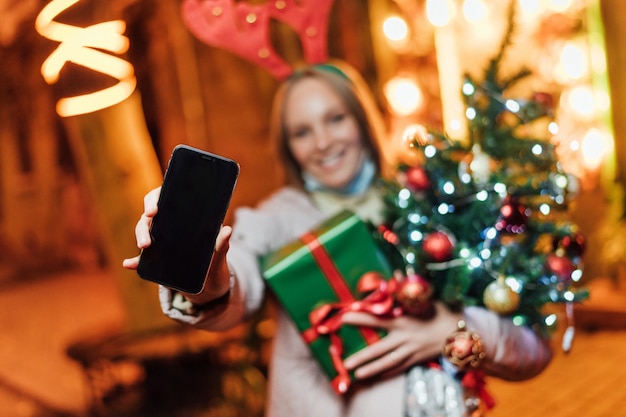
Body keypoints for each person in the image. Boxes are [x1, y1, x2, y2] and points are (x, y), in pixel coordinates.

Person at [123, 61, 552, 417]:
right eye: (302, 131)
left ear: (362, 118)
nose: (323, 142)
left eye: (335, 118)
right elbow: (239, 286)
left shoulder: (433, 202)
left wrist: (452, 329)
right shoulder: (276, 219)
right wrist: (210, 277)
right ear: (288, 146)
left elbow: (533, 349)